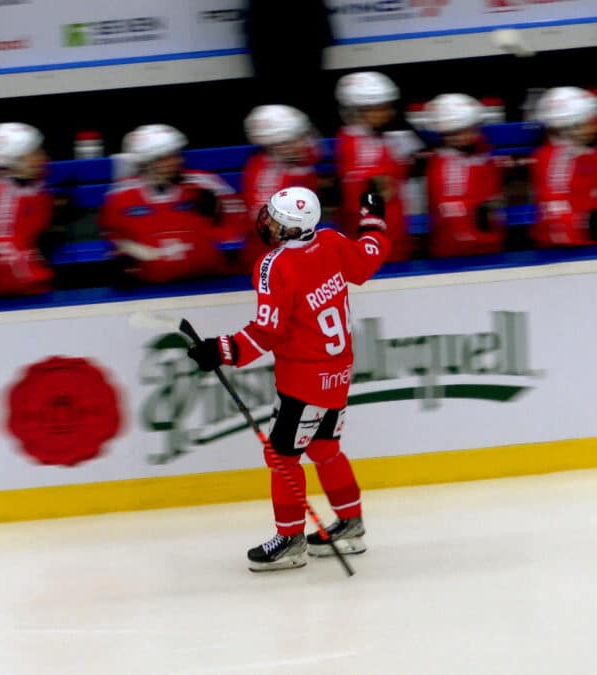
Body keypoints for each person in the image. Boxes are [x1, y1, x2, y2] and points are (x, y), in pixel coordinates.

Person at [186, 186, 390, 572]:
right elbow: (368, 258)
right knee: (325, 448)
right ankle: (351, 524)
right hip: (339, 374)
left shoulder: (274, 266)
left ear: (295, 230)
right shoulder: (330, 241)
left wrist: (222, 350)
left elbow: (267, 332)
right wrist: (373, 220)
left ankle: (291, 540)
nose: (268, 224)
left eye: (277, 222)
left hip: (303, 381)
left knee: (281, 457)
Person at [100, 124, 245, 284]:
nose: (177, 161)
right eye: (166, 157)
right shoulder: (121, 194)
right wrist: (126, 255)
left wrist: (219, 214)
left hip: (209, 278)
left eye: (176, 154)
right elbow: (113, 234)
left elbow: (238, 223)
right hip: (149, 286)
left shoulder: (203, 184)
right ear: (147, 162)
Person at [0, 122, 59, 297]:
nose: (42, 159)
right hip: (10, 292)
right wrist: (37, 262)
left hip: (37, 282)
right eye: (33, 154)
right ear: (9, 161)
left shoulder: (33, 187)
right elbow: (1, 250)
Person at [334, 72, 413, 261]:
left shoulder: (376, 138)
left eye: (386, 107)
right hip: (375, 248)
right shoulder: (358, 145)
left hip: (390, 239)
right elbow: (376, 196)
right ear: (355, 111)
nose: (385, 113)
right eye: (376, 108)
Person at [529, 86, 597, 248]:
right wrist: (585, 223)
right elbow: (553, 205)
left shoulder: (589, 150)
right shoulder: (553, 158)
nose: (596, 127)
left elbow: (589, 181)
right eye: (587, 123)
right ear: (566, 127)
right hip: (562, 247)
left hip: (593, 238)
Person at [422, 94, 506, 258]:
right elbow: (452, 215)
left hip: (492, 245)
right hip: (460, 254)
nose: (465, 136)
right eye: (456, 133)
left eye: (470, 129)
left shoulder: (483, 155)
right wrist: (482, 240)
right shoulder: (444, 166)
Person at [240, 105, 320, 267]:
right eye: (296, 139)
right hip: (274, 261)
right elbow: (270, 230)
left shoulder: (294, 162)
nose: (305, 143)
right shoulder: (266, 175)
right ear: (276, 144)